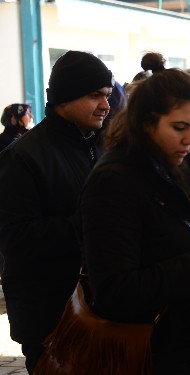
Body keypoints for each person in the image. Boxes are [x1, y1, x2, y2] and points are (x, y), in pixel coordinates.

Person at [78, 53, 190, 373]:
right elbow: (115, 292)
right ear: (146, 123)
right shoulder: (115, 180)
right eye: (179, 127)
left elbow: (183, 236)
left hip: (187, 344)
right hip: (147, 353)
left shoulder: (174, 165)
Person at [0, 50, 114, 373]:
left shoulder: (99, 145)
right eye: (95, 95)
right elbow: (15, 237)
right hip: (50, 316)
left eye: (106, 95)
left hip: (96, 307)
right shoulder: (23, 157)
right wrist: (88, 226)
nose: (105, 105)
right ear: (65, 97)